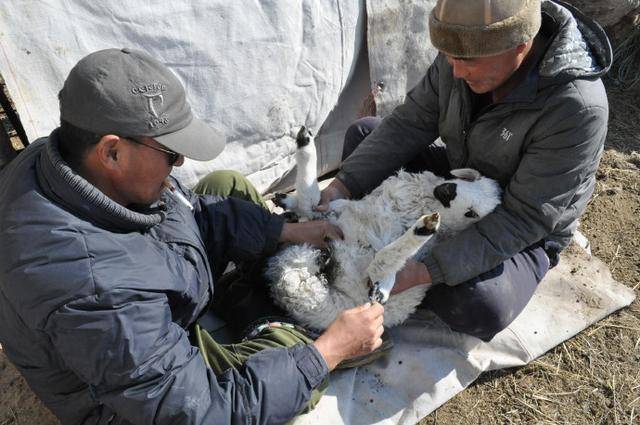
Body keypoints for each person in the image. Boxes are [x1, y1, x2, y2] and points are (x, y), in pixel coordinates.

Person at [0, 48, 385, 425]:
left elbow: (181, 211)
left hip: (143, 301)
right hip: (131, 402)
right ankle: (272, 322)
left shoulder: (58, 161)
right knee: (297, 354)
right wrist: (328, 351)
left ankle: (244, 299)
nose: (179, 163)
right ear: (112, 152)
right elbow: (204, 413)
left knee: (226, 186)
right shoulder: (98, 296)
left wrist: (283, 229)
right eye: (170, 153)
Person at [318, 0, 611, 342]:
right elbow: (410, 123)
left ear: (521, 44)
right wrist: (341, 187)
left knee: (480, 305)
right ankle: (416, 243)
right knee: (363, 137)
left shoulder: (576, 107)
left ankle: (434, 258)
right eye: (450, 57)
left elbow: (526, 218)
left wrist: (424, 271)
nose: (456, 71)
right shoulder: (462, 48)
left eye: (467, 61)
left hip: (519, 220)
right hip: (463, 178)